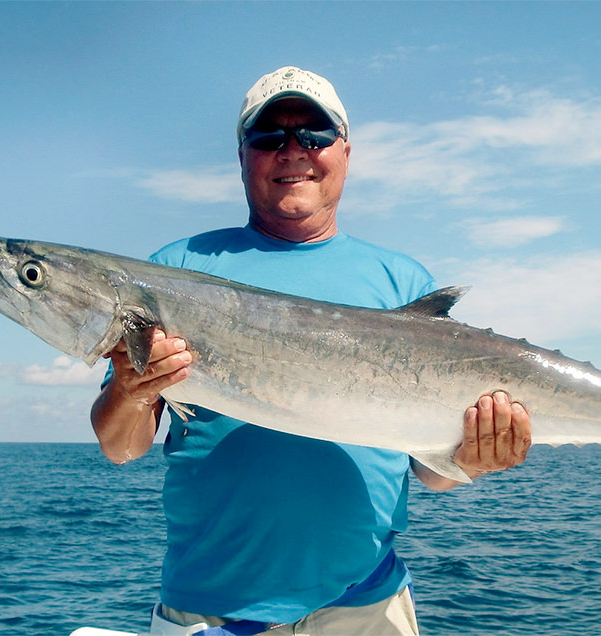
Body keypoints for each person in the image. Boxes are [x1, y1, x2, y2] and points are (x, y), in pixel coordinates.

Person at [91, 66, 531, 636]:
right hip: (209, 610)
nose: (293, 151)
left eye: (315, 136)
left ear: (345, 152)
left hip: (367, 608)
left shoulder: (402, 282)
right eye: (269, 137)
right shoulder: (176, 271)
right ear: (243, 155)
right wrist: (129, 390)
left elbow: (431, 470)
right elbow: (121, 446)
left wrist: (471, 459)